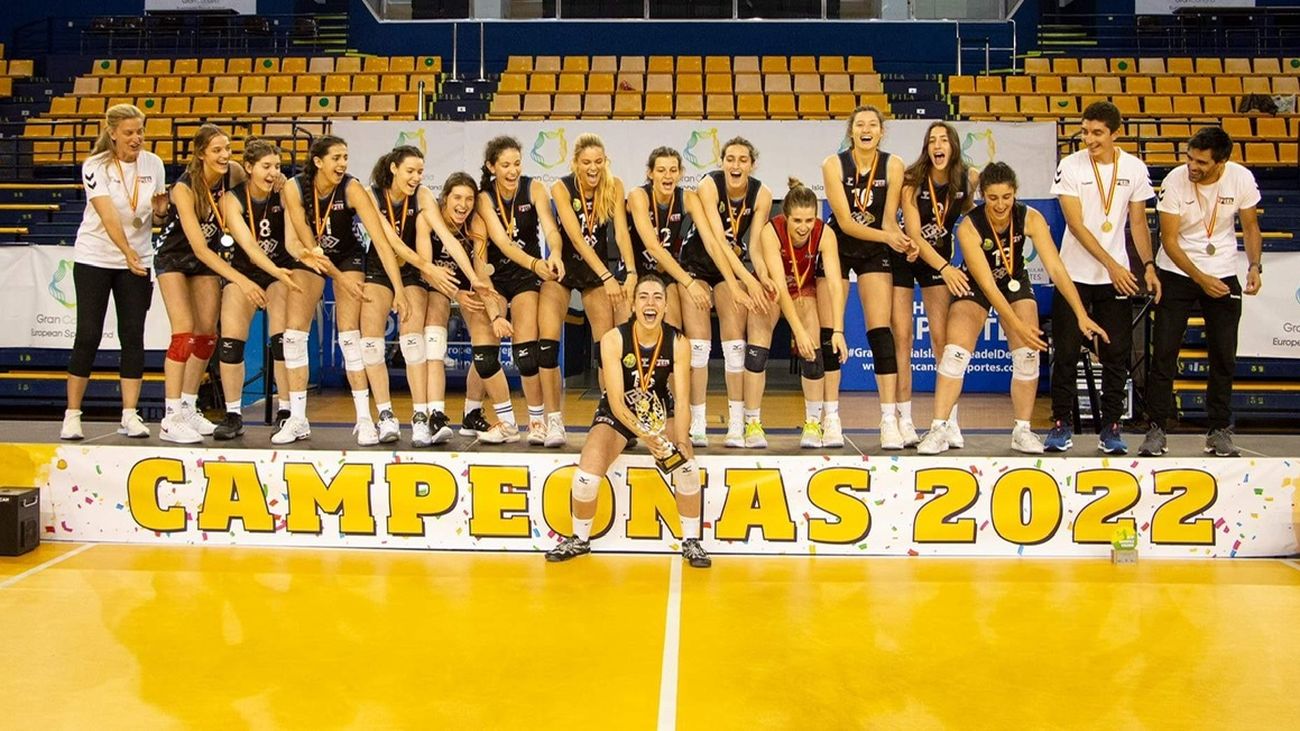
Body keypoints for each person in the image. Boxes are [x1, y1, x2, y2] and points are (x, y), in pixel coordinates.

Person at [916, 162, 1108, 455]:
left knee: (1027, 355)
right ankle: (939, 428)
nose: (1000, 204)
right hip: (978, 284)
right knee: (954, 354)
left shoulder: (1030, 218)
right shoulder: (969, 226)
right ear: (982, 195)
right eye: (993, 198)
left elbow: (1056, 268)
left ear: (1015, 193)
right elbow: (989, 288)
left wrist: (1081, 314)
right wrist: (1018, 328)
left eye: (1006, 197)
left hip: (1014, 280)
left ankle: (1022, 430)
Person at [544, 274, 711, 568]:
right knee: (585, 477)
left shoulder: (678, 341)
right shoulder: (613, 339)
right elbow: (617, 401)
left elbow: (683, 400)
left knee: (687, 467)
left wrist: (682, 440)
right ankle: (580, 540)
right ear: (633, 305)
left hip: (660, 411)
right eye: (643, 297)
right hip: (618, 414)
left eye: (657, 297)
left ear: (666, 306)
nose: (651, 303)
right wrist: (645, 437)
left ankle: (692, 542)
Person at [1140, 126, 1262, 458]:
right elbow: (1169, 240)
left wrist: (1253, 266)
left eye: (1201, 162)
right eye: (1190, 158)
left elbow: (1250, 226)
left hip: (1222, 270)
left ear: (1221, 162)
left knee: (1224, 354)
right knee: (1164, 352)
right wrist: (1199, 277)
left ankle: (1219, 429)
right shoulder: (1174, 181)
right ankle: (1156, 429)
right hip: (1177, 271)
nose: (1192, 166)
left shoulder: (1240, 179)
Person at [1046, 101, 1158, 455]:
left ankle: (1111, 427)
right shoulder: (1070, 166)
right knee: (1064, 353)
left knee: (1116, 354)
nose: (1089, 139)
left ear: (1115, 133)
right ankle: (1060, 424)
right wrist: (1111, 263)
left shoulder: (1135, 168)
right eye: (1084, 132)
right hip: (1073, 275)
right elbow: (1075, 225)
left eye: (1097, 133)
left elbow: (1138, 223)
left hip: (1116, 278)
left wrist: (1149, 266)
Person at [273, 135, 397, 445]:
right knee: (293, 335)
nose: (343, 163)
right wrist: (339, 279)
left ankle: (365, 420)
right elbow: (303, 242)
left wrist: (398, 288)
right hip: (309, 254)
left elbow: (380, 241)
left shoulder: (352, 188)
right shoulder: (294, 187)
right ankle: (297, 418)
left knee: (349, 336)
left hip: (347, 255)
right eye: (336, 158)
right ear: (317, 161)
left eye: (346, 157)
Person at [62, 103, 168, 441]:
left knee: (132, 335)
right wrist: (127, 253)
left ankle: (129, 414)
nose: (136, 138)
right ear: (112, 133)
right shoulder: (96, 165)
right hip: (96, 256)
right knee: (89, 334)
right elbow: (108, 216)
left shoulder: (155, 164)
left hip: (137, 259)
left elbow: (155, 218)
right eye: (129, 133)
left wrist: (162, 214)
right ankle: (72, 415)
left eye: (140, 132)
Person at [153, 124, 260, 444]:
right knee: (184, 331)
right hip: (175, 257)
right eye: (217, 150)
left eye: (227, 148)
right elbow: (197, 246)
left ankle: (188, 406)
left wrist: (277, 179)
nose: (225, 155)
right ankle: (170, 416)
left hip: (207, 260)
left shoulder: (235, 172)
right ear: (200, 154)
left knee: (206, 336)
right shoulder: (184, 189)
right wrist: (239, 277)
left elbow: (258, 187)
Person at [821, 106, 914, 449]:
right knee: (831, 329)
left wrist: (901, 240)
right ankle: (831, 417)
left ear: (881, 132)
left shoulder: (893, 164)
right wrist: (888, 237)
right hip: (839, 245)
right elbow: (844, 222)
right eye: (859, 123)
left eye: (872, 124)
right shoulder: (833, 164)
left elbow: (889, 219)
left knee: (880, 331)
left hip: (875, 247)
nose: (866, 128)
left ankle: (889, 420)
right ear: (851, 131)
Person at [359, 145, 463, 447]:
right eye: (410, 171)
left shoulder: (423, 196)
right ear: (393, 168)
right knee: (370, 343)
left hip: (412, 271)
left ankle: (420, 418)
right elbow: (390, 243)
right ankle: (386, 415)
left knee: (413, 339)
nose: (417, 177)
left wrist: (473, 277)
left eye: (420, 171)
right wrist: (426, 268)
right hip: (380, 267)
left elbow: (446, 237)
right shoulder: (371, 195)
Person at [678, 137, 773, 448]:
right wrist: (744, 280)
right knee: (699, 347)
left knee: (735, 346)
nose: (736, 165)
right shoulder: (709, 185)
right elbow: (716, 241)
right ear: (722, 162)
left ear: (752, 164)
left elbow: (755, 245)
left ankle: (736, 424)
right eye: (730, 159)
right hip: (696, 263)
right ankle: (698, 421)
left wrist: (759, 277)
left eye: (742, 160)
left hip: (730, 269)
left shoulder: (762, 194)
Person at [544, 133, 635, 447]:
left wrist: (630, 270)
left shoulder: (614, 185)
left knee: (606, 346)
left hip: (598, 272)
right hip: (566, 268)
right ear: (575, 163)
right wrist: (608, 276)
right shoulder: (561, 187)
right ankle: (552, 421)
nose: (593, 168)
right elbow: (577, 240)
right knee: (546, 343)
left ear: (605, 161)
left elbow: (621, 233)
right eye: (586, 162)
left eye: (598, 161)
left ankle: (613, 415)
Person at [476, 136, 565, 445]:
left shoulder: (534, 188)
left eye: (516, 164)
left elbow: (551, 228)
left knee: (526, 354)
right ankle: (505, 422)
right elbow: (501, 242)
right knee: (486, 356)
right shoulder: (483, 197)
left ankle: (537, 422)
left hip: (527, 277)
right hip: (496, 278)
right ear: (491, 167)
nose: (512, 171)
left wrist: (553, 253)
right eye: (505, 165)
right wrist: (535, 263)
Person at [748, 178, 847, 448]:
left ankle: (813, 423)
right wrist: (797, 332)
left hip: (803, 291)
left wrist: (838, 329)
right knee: (756, 353)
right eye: (797, 221)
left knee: (813, 353)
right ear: (786, 217)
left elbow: (836, 284)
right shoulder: (771, 231)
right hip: (771, 289)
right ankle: (752, 423)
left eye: (809, 220)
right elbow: (779, 285)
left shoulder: (825, 234)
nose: (804, 227)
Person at [213, 139, 301, 440]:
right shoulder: (233, 199)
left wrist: (287, 193)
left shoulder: (284, 192)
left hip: (281, 271)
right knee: (230, 343)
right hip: (245, 271)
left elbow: (293, 237)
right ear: (249, 168)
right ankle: (233, 413)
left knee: (282, 340)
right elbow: (249, 247)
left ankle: (287, 410)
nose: (273, 172)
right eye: (266, 166)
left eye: (277, 166)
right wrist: (248, 281)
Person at [897, 121, 977, 448]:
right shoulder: (913, 182)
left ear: (954, 146)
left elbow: (974, 217)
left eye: (943, 140)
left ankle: (949, 421)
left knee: (942, 342)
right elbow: (914, 235)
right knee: (902, 338)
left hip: (940, 261)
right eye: (932, 141)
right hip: (908, 256)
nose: (937, 145)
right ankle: (903, 421)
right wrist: (945, 268)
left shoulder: (967, 179)